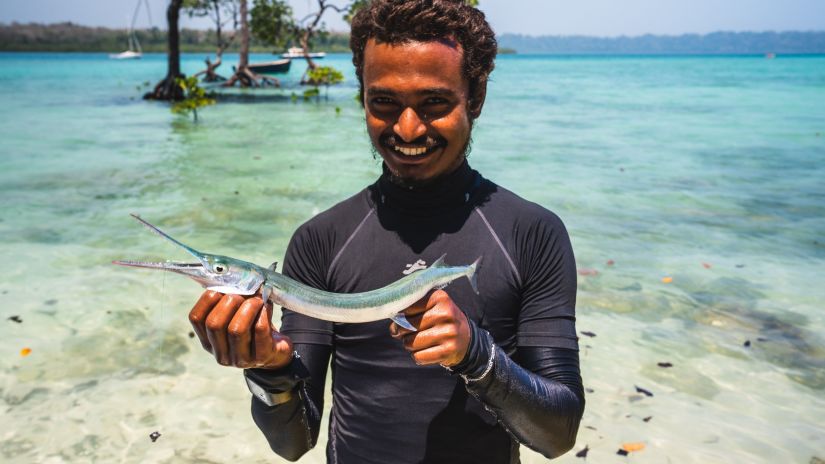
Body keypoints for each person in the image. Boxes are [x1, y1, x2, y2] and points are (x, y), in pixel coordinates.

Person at [187, 1, 584, 462]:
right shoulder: (322, 240)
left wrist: (476, 354)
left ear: (475, 98)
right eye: (384, 103)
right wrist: (269, 369)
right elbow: (294, 443)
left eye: (434, 102)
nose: (408, 129)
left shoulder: (532, 233)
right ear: (362, 98)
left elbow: (559, 435)